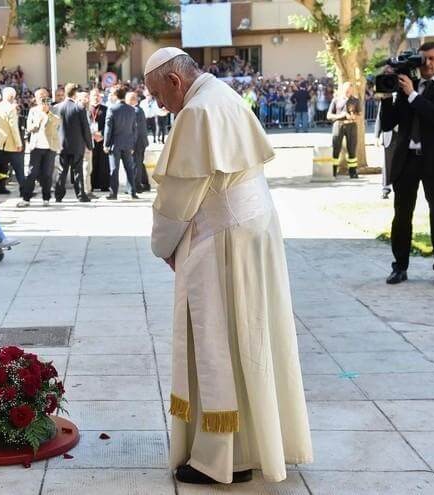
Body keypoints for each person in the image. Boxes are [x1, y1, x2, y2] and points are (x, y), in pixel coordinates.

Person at [144, 47, 313, 485]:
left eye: (158, 94)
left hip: (222, 241)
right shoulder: (223, 93)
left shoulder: (197, 113)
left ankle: (222, 459)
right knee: (250, 341)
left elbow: (178, 200)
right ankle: (254, 446)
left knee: (217, 343)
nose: (158, 104)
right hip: (251, 230)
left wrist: (163, 245)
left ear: (175, 81)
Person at [379, 42, 434, 287]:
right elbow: (387, 124)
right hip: (407, 160)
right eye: (423, 59)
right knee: (402, 215)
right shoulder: (407, 86)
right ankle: (399, 267)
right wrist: (386, 96)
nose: (427, 64)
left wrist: (412, 95)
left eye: (432, 59)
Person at [18, 88, 60, 207]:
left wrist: (47, 113)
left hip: (50, 146)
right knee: (32, 172)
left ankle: (46, 198)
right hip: (36, 146)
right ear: (36, 99)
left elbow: (57, 123)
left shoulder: (54, 109)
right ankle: (26, 198)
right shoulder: (33, 111)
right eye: (39, 97)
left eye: (44, 96)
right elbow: (29, 127)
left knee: (47, 173)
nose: (42, 98)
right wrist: (38, 120)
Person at [55, 83, 93, 202]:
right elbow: (85, 128)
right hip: (77, 145)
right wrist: (89, 144)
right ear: (75, 93)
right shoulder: (79, 108)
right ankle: (81, 195)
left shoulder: (57, 108)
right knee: (78, 171)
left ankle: (58, 195)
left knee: (62, 170)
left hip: (62, 144)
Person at [104, 86, 138, 200]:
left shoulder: (112, 109)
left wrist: (106, 144)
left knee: (114, 169)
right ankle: (132, 191)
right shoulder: (132, 109)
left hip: (115, 143)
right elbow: (134, 129)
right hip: (128, 143)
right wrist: (133, 144)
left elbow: (108, 129)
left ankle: (114, 193)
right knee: (129, 168)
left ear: (115, 95)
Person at [0, 87, 24, 195]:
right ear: (12, 96)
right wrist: (18, 143)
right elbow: (13, 127)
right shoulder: (11, 108)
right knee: (18, 167)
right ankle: (24, 190)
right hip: (8, 143)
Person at [327, 82, 360, 178]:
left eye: (350, 90)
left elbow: (360, 115)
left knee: (352, 149)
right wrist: (340, 116)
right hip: (338, 125)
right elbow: (328, 115)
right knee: (336, 149)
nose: (348, 92)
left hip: (351, 126)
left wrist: (354, 116)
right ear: (342, 90)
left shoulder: (356, 100)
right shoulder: (336, 100)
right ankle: (333, 171)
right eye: (346, 90)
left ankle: (353, 172)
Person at [127, 91, 151, 192]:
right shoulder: (137, 109)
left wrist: (131, 145)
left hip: (137, 142)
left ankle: (136, 187)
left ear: (132, 100)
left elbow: (135, 130)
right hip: (141, 141)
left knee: (135, 164)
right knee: (140, 163)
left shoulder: (135, 111)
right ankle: (145, 184)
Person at [89, 88, 109, 192]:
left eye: (97, 95)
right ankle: (91, 184)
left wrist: (101, 133)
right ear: (90, 96)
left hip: (102, 139)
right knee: (92, 162)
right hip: (90, 139)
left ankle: (104, 185)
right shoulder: (86, 109)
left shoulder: (106, 109)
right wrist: (91, 135)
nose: (96, 97)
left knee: (103, 163)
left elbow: (109, 125)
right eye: (93, 95)